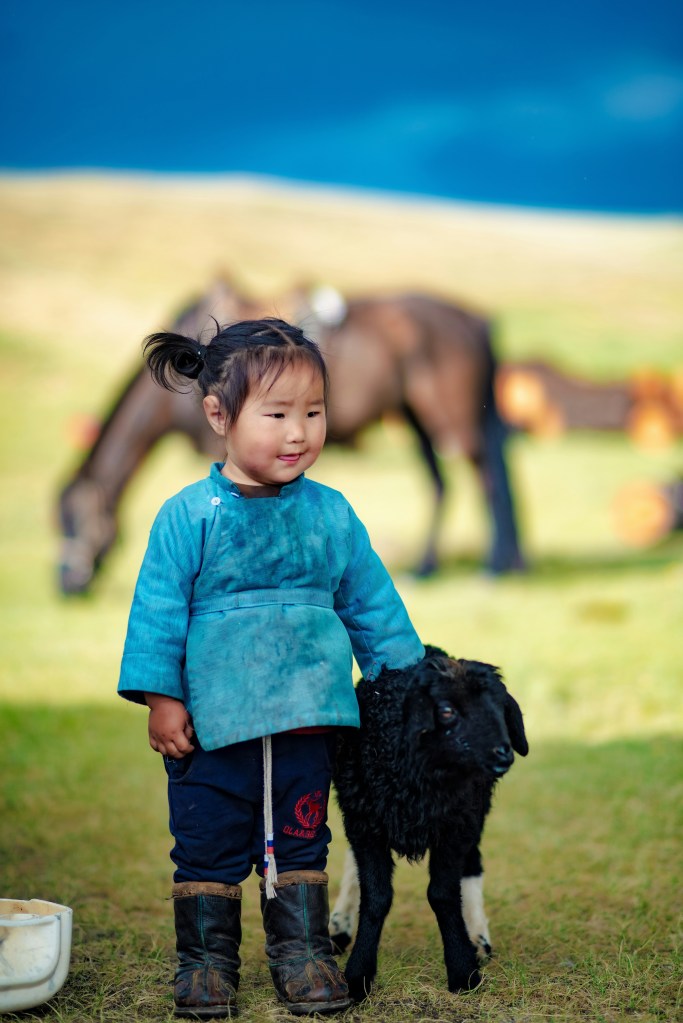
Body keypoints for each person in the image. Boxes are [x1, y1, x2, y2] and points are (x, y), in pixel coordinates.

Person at [118, 317, 425, 1019]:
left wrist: (402, 675)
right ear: (218, 415)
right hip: (212, 727)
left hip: (306, 719)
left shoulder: (330, 515)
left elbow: (370, 600)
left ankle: (303, 952)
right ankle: (204, 961)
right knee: (205, 841)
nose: (299, 433)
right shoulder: (187, 517)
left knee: (301, 836)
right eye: (278, 414)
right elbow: (158, 611)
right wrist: (163, 697)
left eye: (313, 413)